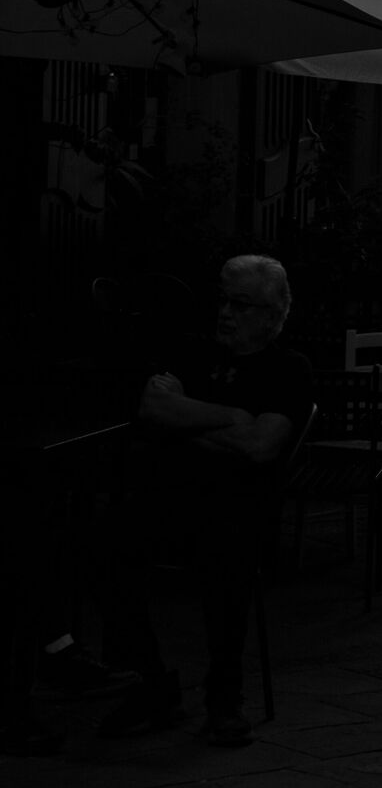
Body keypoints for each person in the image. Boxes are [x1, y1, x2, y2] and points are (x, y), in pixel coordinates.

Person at [98, 254, 313, 749]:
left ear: (272, 313)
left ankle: (225, 695)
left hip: (240, 508)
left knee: (228, 550)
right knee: (104, 544)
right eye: (223, 300)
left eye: (241, 304)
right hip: (172, 497)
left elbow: (261, 447)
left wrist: (186, 422)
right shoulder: (194, 354)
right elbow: (152, 408)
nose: (225, 313)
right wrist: (234, 416)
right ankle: (152, 681)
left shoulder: (288, 369)